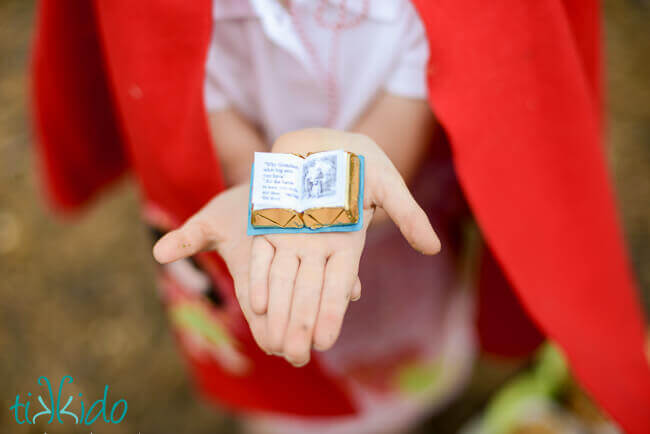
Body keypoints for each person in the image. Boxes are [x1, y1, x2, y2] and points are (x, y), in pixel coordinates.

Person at [31, 1, 650, 433]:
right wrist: (273, 188)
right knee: (290, 370)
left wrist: (335, 173)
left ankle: (404, 403)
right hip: (261, 244)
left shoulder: (405, 13)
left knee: (404, 366)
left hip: (394, 238)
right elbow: (195, 100)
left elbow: (401, 129)